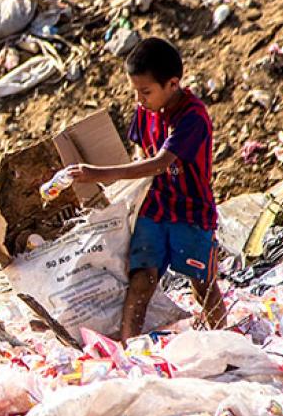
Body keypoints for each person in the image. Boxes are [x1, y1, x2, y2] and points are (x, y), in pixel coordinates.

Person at [71, 37, 225, 338]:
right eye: (136, 92)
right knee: (141, 279)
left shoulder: (193, 117)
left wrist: (96, 174)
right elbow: (142, 154)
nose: (140, 100)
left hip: (190, 211)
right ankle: (131, 349)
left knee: (202, 281)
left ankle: (226, 339)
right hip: (154, 208)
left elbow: (158, 163)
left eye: (146, 92)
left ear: (172, 84)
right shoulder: (145, 111)